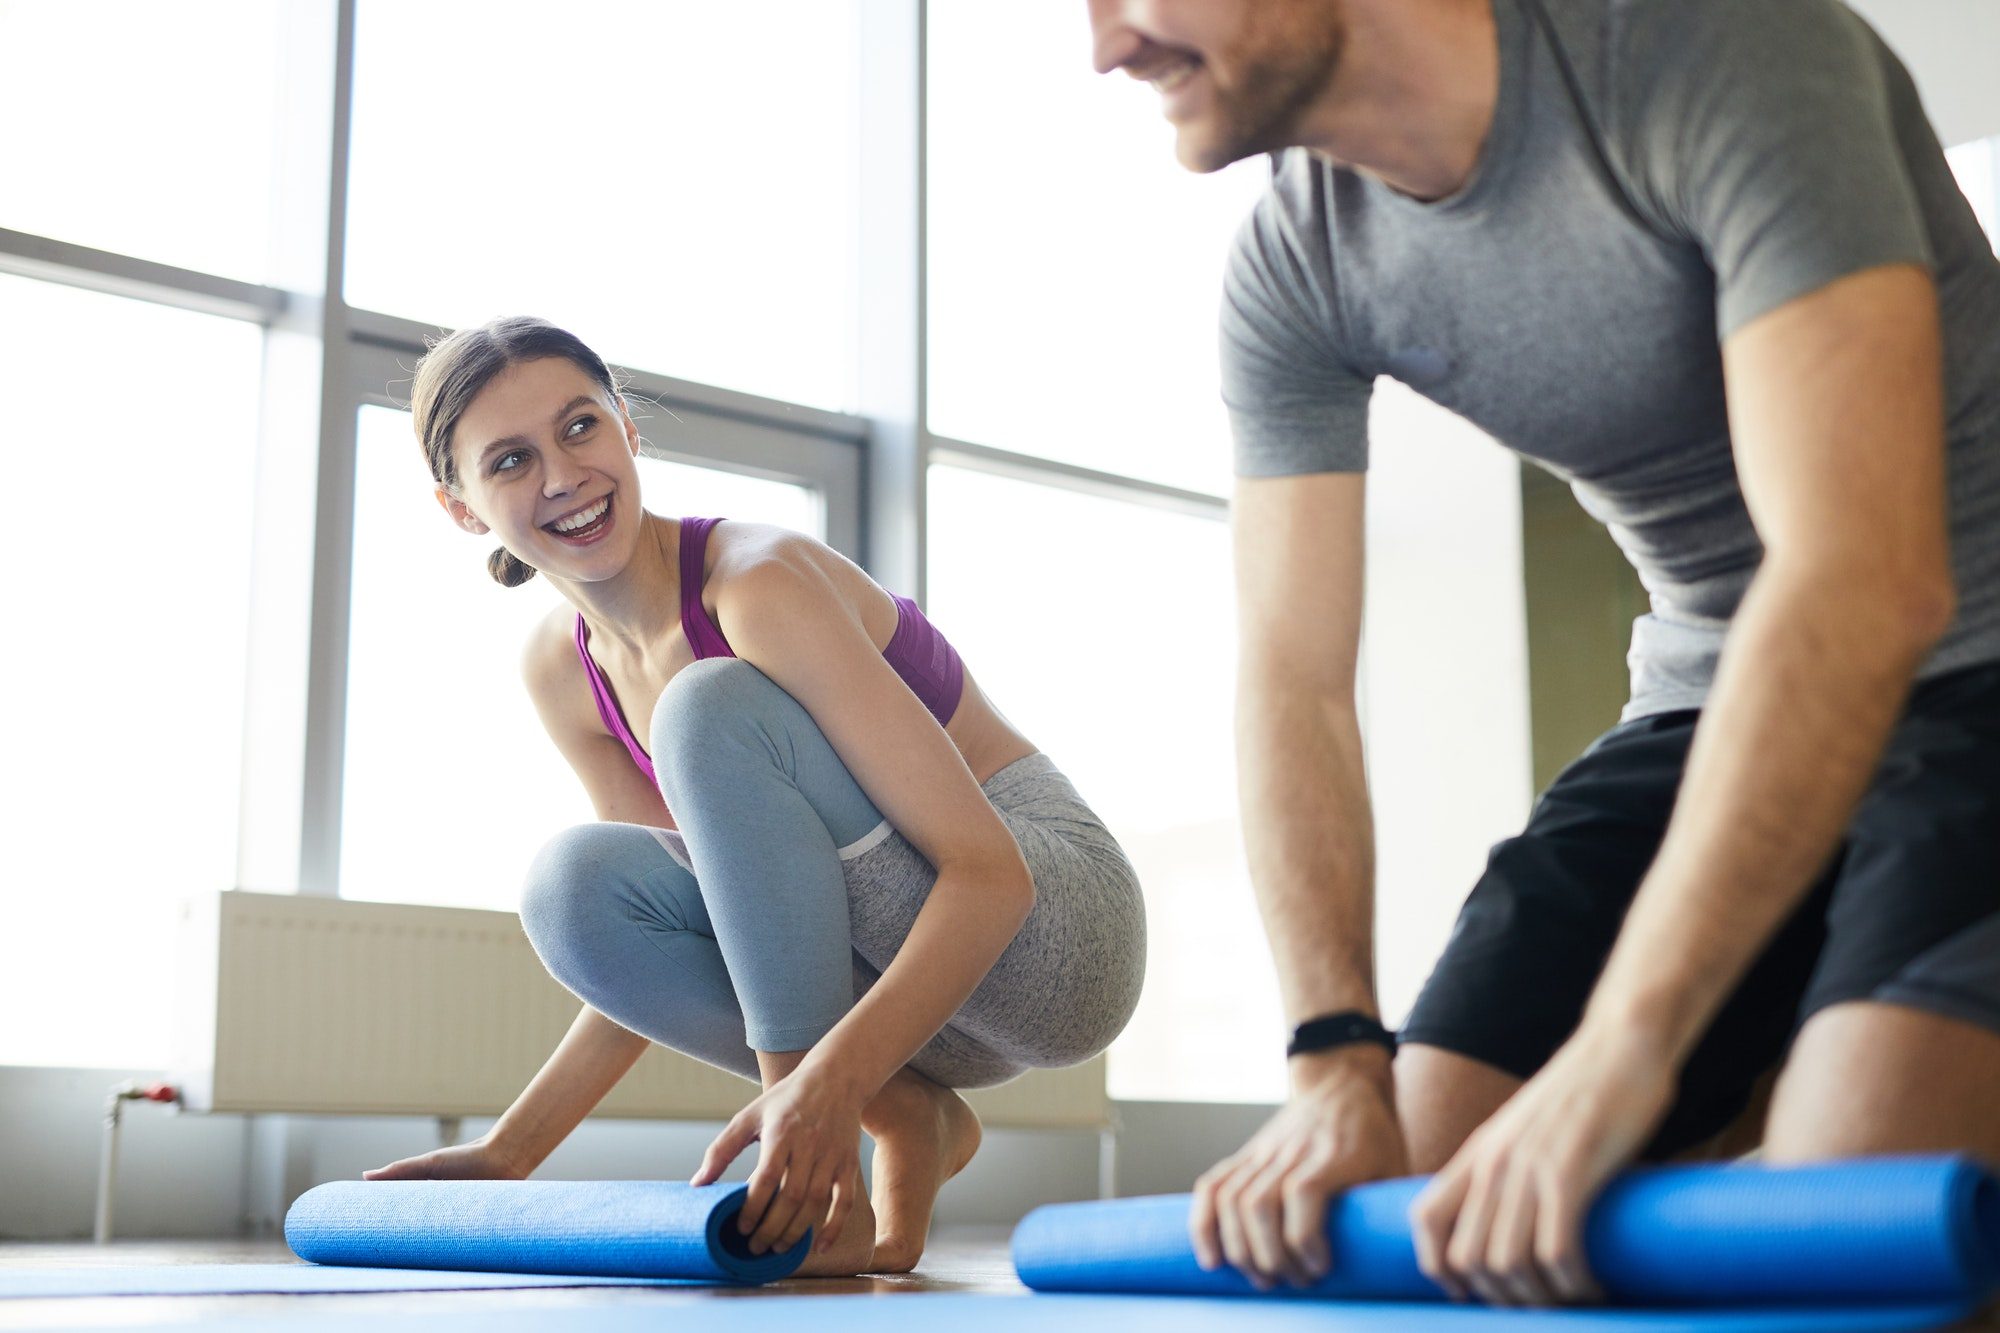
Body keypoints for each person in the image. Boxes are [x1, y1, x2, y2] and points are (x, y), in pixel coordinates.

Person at [1088, 0, 2000, 1307]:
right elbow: (1293, 677)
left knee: (1845, 1212)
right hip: (1707, 695)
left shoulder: (1717, 47)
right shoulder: (1296, 261)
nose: (1106, 46)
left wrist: (1626, 1046)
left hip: (1976, 653)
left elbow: (1865, 577)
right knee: (1421, 1187)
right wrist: (1336, 1057)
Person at [361, 316, 1146, 1276]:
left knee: (708, 706)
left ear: (629, 430)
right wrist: (510, 1152)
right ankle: (911, 1112)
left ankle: (819, 1188)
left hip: (1054, 931)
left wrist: (815, 1096)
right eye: (512, 460)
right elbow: (701, 923)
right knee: (572, 887)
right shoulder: (563, 674)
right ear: (463, 508)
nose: (561, 476)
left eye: (580, 428)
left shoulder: (755, 582)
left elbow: (991, 876)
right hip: (912, 1000)